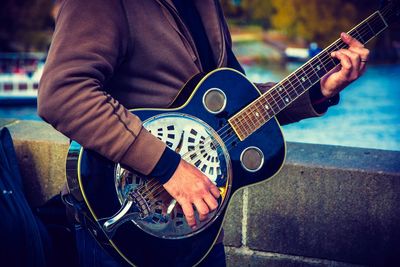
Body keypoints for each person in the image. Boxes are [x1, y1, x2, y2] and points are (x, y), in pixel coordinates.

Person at [38, 0, 369, 266]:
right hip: (123, 225)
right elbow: (62, 94)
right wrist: (167, 166)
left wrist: (317, 90)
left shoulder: (205, 5)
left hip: (199, 230)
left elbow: (238, 106)